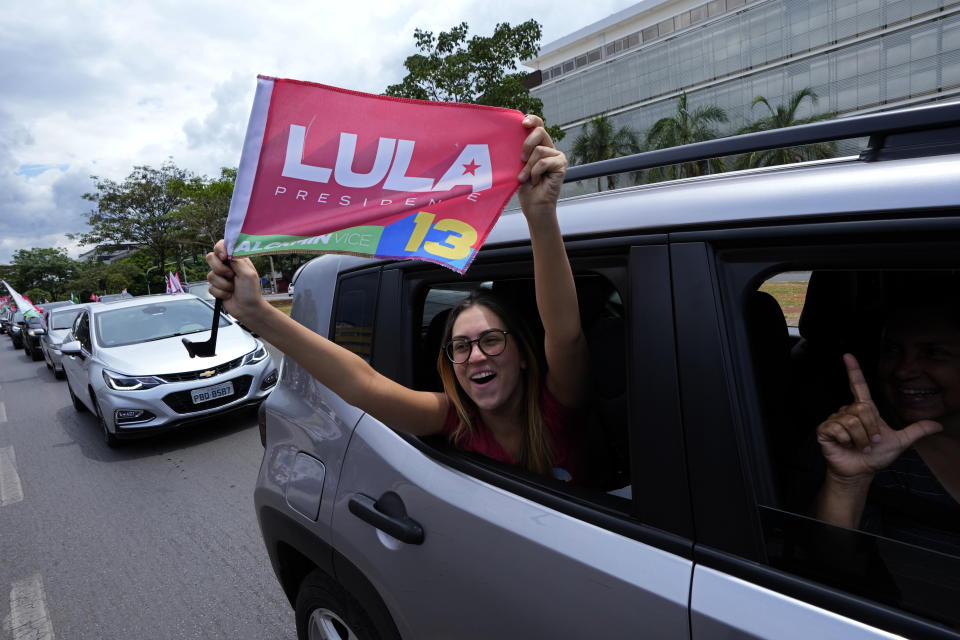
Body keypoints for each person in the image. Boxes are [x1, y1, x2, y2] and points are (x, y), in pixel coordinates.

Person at [206, 115, 590, 481]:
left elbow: (565, 334)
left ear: (523, 354)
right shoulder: (454, 421)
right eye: (460, 347)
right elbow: (365, 386)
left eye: (491, 340)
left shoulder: (556, 406)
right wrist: (258, 313)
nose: (475, 356)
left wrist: (540, 215)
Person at [813, 300, 960, 550]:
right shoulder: (868, 446)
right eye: (892, 351)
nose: (903, 371)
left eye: (933, 353)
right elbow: (832, 569)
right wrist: (848, 483)